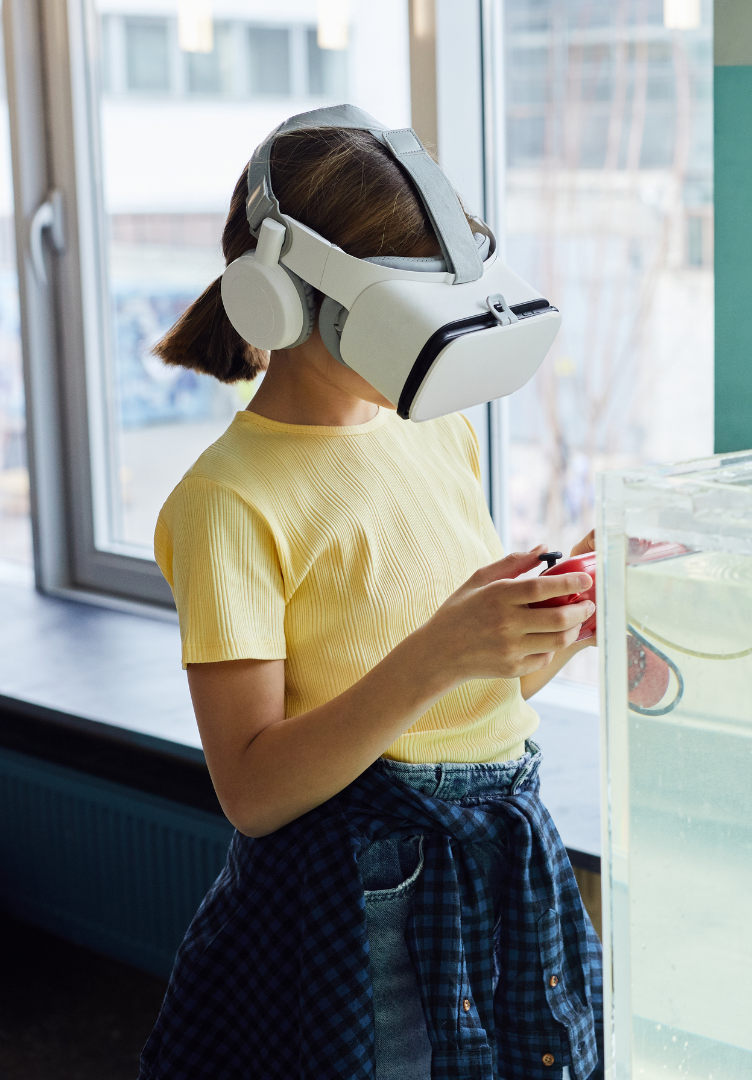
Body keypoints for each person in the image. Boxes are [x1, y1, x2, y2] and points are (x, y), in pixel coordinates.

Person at [138, 122, 602, 1080]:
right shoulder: (228, 501)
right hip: (362, 901)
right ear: (279, 297)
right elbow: (254, 793)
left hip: (504, 860)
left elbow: (471, 699)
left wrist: (563, 622)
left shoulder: (433, 433)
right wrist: (441, 650)